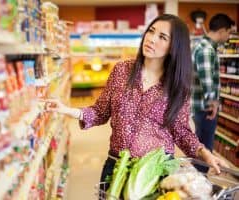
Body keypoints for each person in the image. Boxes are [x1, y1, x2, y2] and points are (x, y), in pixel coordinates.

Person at [42, 14, 228, 192]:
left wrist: (205, 153)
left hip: (155, 172)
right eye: (151, 31)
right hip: (116, 167)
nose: (152, 39)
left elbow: (180, 131)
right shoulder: (122, 71)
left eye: (162, 37)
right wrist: (67, 110)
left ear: (174, 46)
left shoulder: (178, 86)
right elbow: (100, 112)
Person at [191, 14, 234, 154]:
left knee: (200, 149)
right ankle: (201, 175)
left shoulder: (204, 46)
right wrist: (213, 104)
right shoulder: (206, 49)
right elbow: (207, 82)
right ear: (222, 31)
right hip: (205, 110)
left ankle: (199, 174)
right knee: (204, 151)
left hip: (202, 108)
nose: (229, 36)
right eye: (229, 32)